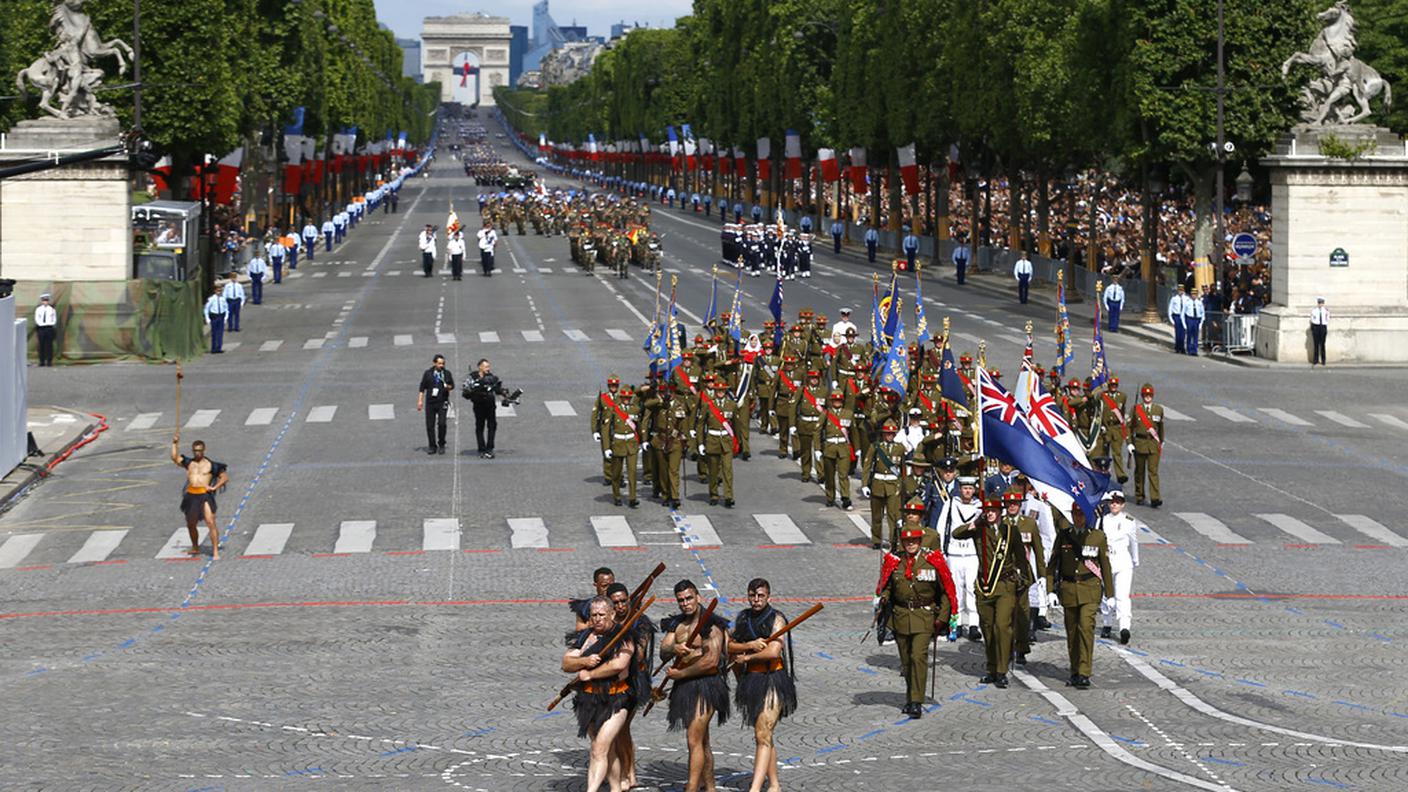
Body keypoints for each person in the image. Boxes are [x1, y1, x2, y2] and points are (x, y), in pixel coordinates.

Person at [875, 525, 958, 717]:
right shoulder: (894, 562)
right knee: (906, 662)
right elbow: (887, 586)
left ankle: (916, 701)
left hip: (924, 616)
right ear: (903, 543)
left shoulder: (933, 561)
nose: (911, 544)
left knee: (918, 657)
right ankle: (910, 696)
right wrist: (884, 597)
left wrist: (943, 618)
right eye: (907, 541)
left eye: (914, 541)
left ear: (920, 542)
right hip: (901, 616)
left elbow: (945, 591)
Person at [659, 580, 730, 792]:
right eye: (681, 600)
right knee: (701, 740)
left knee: (693, 739)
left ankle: (691, 788)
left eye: (689, 598)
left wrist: (681, 672)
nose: (685, 603)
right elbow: (663, 651)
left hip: (707, 685)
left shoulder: (712, 625)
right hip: (685, 686)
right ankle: (710, 787)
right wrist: (675, 648)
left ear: (698, 597)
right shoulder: (678, 624)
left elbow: (711, 661)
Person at [727, 578, 797, 792]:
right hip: (752, 680)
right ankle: (774, 784)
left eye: (760, 596)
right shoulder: (743, 618)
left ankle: (755, 788)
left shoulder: (777, 619)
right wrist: (748, 645)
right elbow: (729, 644)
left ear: (768, 597)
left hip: (773, 678)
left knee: (762, 732)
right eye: (752, 595)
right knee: (764, 734)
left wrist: (747, 658)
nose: (756, 600)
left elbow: (774, 651)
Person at [562, 596, 636, 792]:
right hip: (588, 700)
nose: (597, 619)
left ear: (612, 614)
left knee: (598, 749)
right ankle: (615, 788)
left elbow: (618, 665)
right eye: (593, 615)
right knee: (606, 751)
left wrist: (592, 673)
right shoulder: (585, 637)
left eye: (602, 615)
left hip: (617, 699)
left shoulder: (624, 636)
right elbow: (567, 663)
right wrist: (584, 662)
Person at [953, 497, 1024, 687]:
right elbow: (956, 534)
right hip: (984, 586)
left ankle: (1002, 670)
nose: (990, 513)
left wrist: (1024, 581)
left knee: (1002, 626)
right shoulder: (980, 529)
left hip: (1005, 585)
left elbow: (1021, 558)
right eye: (987, 510)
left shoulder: (1010, 531)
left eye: (993, 510)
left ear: (1000, 512)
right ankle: (992, 668)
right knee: (988, 628)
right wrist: (975, 522)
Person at [1046, 507, 1113, 690]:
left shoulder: (1097, 536)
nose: (1078, 518)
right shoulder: (1064, 535)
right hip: (1068, 589)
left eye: (1081, 514)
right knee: (1072, 632)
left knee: (1086, 628)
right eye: (1075, 514)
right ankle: (1075, 670)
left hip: (1090, 589)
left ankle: (1084, 672)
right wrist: (1050, 590)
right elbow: (1053, 565)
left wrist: (1110, 594)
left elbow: (1105, 565)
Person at [935, 475, 982, 639]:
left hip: (972, 553)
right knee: (955, 589)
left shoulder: (979, 507)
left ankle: (974, 623)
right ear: (960, 489)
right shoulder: (950, 504)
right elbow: (941, 528)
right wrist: (941, 550)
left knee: (971, 589)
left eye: (970, 488)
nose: (967, 491)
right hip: (954, 553)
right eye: (964, 488)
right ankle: (958, 623)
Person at [170, 434, 229, 559]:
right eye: (195, 451)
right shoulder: (189, 463)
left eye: (199, 451)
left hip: (204, 494)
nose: (197, 453)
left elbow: (224, 477)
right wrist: (174, 444)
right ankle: (195, 546)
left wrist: (214, 487)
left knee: (210, 521)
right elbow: (175, 458)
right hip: (191, 494)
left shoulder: (211, 465)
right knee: (191, 523)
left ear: (204, 450)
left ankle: (215, 551)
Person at [1097, 491, 1140, 645]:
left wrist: (1135, 559)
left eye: (1118, 502)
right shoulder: (1102, 520)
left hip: (1123, 561)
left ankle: (1124, 627)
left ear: (1123, 504)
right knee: (1106, 594)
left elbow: (1134, 541)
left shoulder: (1129, 520)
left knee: (1122, 595)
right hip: (1107, 560)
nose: (1114, 504)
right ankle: (1107, 623)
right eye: (1112, 502)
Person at [861, 421, 905, 549]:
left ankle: (893, 541)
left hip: (893, 485)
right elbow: (867, 465)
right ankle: (876, 539)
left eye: (892, 433)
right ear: (883, 434)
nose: (889, 436)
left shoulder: (900, 448)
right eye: (887, 433)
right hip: (877, 484)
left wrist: (902, 486)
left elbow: (902, 470)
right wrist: (864, 484)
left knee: (893, 515)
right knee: (876, 515)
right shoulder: (876, 447)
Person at [698, 379, 738, 508]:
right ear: (714, 391)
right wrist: (700, 443)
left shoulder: (731, 405)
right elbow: (700, 425)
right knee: (714, 470)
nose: (720, 392)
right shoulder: (708, 405)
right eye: (718, 390)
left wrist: (738, 443)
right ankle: (714, 494)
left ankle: (728, 496)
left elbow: (737, 426)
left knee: (728, 470)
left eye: (722, 390)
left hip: (726, 441)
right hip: (712, 440)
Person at [602, 384, 642, 508]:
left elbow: (639, 427)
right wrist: (607, 447)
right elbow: (606, 429)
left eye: (628, 397)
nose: (626, 399)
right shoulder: (613, 409)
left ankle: (632, 498)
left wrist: (640, 442)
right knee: (616, 473)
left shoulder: (635, 409)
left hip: (631, 444)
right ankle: (617, 496)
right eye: (624, 397)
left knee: (632, 472)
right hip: (618, 444)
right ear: (620, 398)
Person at [1127, 383, 1164, 507]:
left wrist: (1161, 442)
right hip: (1140, 444)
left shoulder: (1158, 409)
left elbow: (1161, 427)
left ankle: (1155, 497)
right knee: (1140, 472)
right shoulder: (1136, 409)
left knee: (1153, 472)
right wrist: (1129, 443)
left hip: (1153, 444)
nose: (1147, 397)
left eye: (1149, 395)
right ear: (1142, 396)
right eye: (1145, 395)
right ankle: (1139, 495)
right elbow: (1129, 427)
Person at [465, 358, 506, 459]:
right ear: (480, 367)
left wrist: (504, 395)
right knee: (480, 426)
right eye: (486, 366)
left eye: (489, 366)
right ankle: (481, 448)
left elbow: (497, 389)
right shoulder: (472, 377)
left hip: (490, 405)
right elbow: (466, 391)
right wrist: (475, 392)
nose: (488, 368)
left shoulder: (491, 377)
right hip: (479, 405)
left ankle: (490, 448)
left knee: (492, 426)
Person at [820, 391, 854, 510]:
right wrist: (818, 449)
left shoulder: (848, 414)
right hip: (829, 447)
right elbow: (817, 430)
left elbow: (853, 433)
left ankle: (845, 498)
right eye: (835, 400)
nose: (837, 402)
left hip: (843, 447)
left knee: (843, 474)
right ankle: (830, 497)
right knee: (829, 475)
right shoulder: (826, 413)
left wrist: (857, 448)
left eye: (839, 400)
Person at [417, 354, 455, 455]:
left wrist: (448, 387)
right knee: (430, 425)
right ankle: (432, 445)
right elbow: (422, 388)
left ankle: (441, 443)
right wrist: (420, 401)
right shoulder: (428, 374)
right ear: (434, 363)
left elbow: (452, 386)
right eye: (439, 363)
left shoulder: (447, 374)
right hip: (430, 402)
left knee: (442, 424)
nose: (441, 365)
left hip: (442, 401)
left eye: (443, 363)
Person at [33, 293, 57, 367]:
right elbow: (37, 319)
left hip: (49, 328)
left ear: (48, 301)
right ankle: (42, 361)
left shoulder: (52, 309)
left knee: (49, 345)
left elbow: (54, 319)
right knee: (41, 345)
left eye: (46, 300)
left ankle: (49, 361)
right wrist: (41, 324)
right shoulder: (38, 309)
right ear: (42, 301)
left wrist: (50, 324)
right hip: (41, 328)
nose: (45, 302)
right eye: (44, 300)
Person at [203, 288, 228, 353]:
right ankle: (213, 348)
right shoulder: (211, 299)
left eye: (220, 291)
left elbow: (226, 308)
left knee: (220, 333)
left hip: (221, 316)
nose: (219, 292)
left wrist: (225, 318)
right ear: (215, 291)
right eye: (217, 291)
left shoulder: (223, 299)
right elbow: (206, 309)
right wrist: (207, 319)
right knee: (214, 333)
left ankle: (219, 348)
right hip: (214, 317)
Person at [1182, 287, 1205, 356]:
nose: (1194, 295)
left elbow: (1202, 313)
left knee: (1195, 336)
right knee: (1189, 335)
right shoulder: (1187, 302)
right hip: (1190, 319)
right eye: (1193, 294)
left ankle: (1194, 350)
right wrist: (1184, 324)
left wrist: (1201, 323)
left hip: (1196, 319)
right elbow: (1183, 313)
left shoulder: (1199, 303)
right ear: (1191, 295)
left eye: (1195, 294)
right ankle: (1189, 349)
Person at [1168, 285, 1188, 353]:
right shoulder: (1174, 298)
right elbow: (1170, 310)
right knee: (1177, 333)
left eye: (1181, 290)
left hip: (1184, 317)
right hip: (1177, 316)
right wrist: (1172, 320)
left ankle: (1182, 348)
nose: (1180, 291)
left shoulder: (1186, 298)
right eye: (1179, 290)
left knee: (1183, 333)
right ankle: (1177, 347)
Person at [1311, 297, 1329, 365]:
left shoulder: (1326, 310)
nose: (1320, 304)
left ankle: (1323, 360)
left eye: (1321, 303)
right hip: (1316, 326)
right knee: (1316, 344)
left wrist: (1325, 323)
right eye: (1319, 303)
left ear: (1323, 304)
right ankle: (1315, 360)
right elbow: (1312, 318)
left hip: (1323, 326)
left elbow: (1327, 318)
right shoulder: (1314, 310)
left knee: (1322, 344)